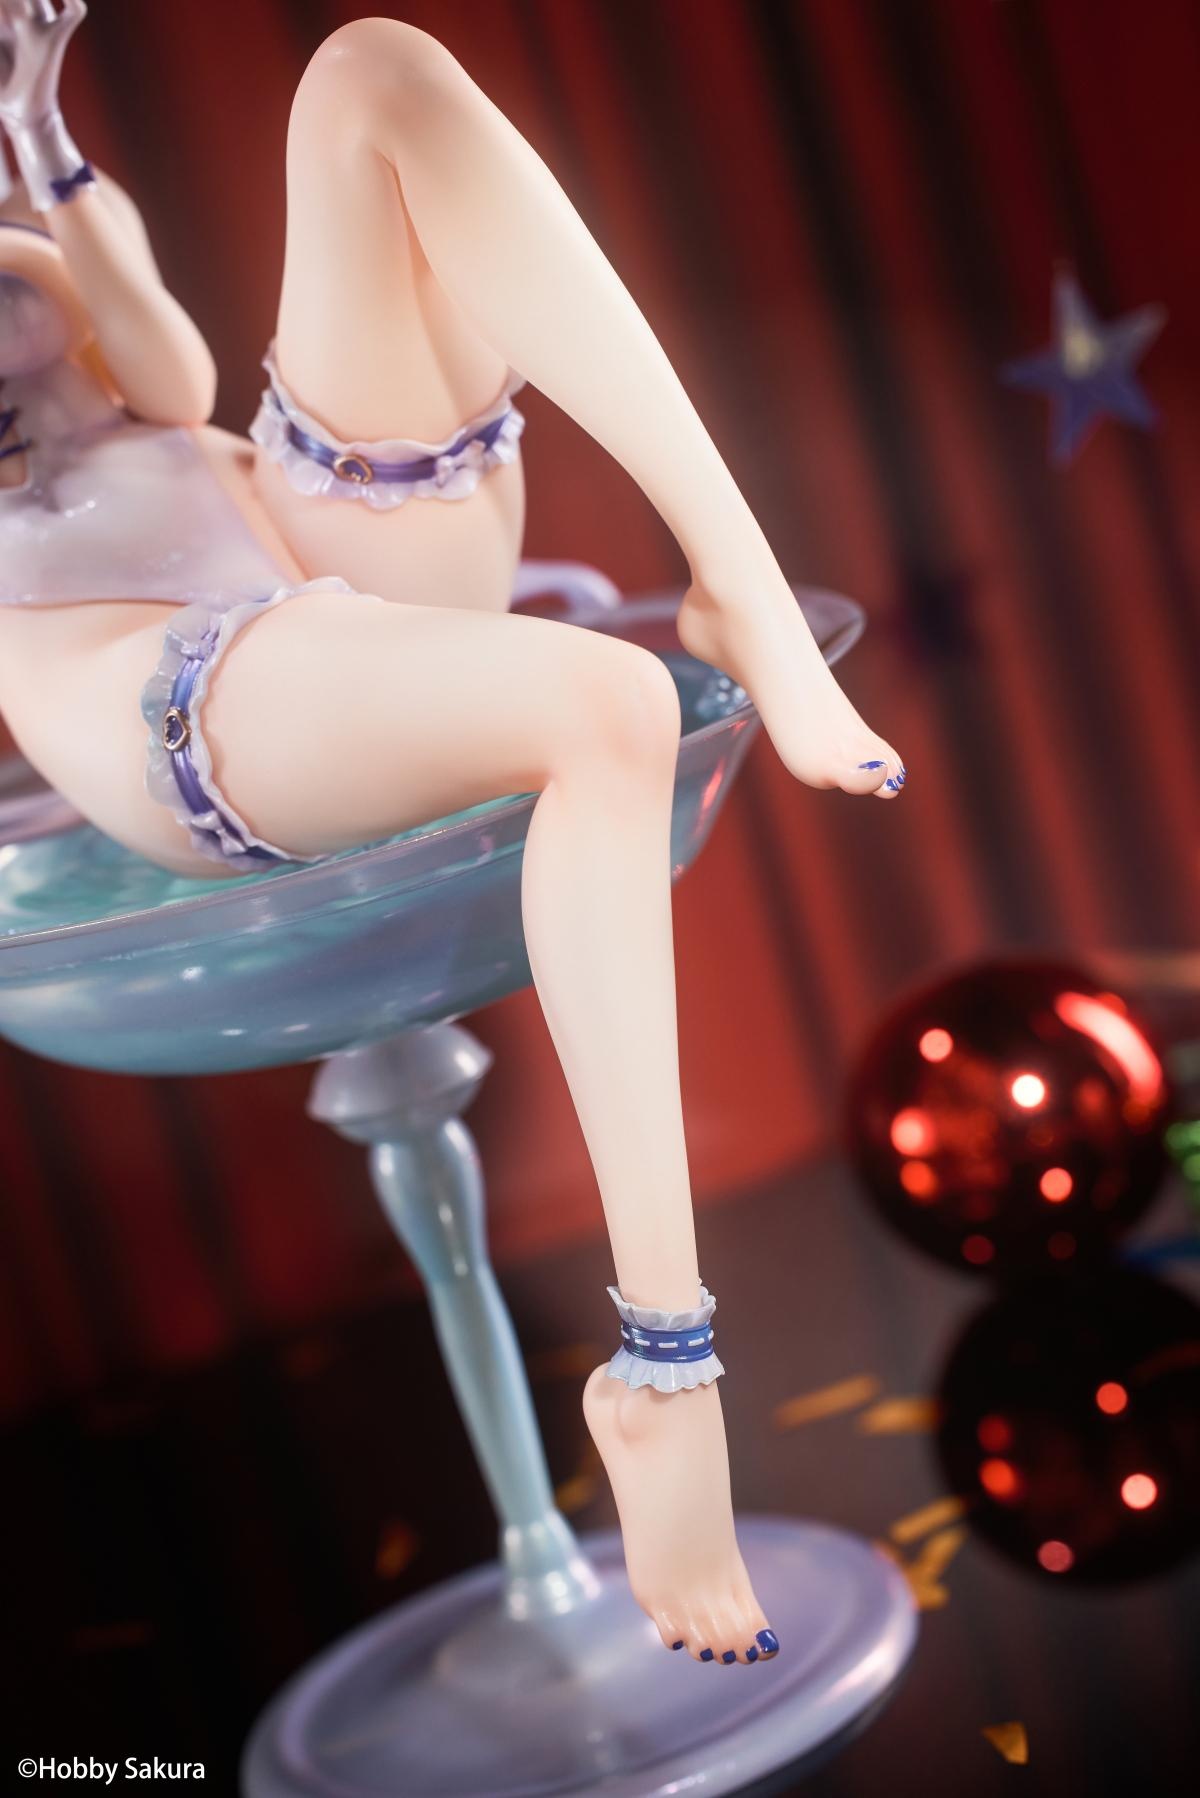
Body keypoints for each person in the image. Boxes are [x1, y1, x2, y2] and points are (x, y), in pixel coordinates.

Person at [0, 0, 905, 1667]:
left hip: (300, 549)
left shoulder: (26, 245)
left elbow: (173, 377)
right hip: (181, 699)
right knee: (610, 707)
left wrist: (39, 133)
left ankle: (741, 582)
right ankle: (667, 1368)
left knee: (375, 70)